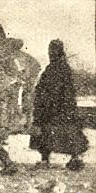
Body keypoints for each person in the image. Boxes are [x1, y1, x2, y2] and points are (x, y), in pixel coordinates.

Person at [29, 39, 88, 171]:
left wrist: (48, 102)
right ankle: (49, 159)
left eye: (53, 50)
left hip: (57, 108)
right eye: (50, 50)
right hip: (54, 108)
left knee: (62, 133)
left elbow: (63, 91)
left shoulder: (60, 69)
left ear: (58, 52)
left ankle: (73, 159)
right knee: (51, 134)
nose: (50, 53)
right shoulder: (54, 68)